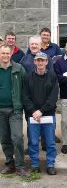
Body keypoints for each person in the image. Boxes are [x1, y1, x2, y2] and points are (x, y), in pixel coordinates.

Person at [23, 52, 59, 175]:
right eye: (38, 60)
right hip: (33, 116)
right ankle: (35, 164)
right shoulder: (28, 77)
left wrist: (42, 110)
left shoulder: (53, 76)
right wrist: (33, 111)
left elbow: (53, 97)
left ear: (46, 62)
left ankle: (50, 164)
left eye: (42, 60)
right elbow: (25, 97)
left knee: (50, 142)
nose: (40, 63)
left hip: (48, 115)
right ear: (34, 62)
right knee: (33, 141)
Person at [0, 44, 28, 177]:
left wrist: (23, 104)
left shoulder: (19, 68)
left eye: (7, 53)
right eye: (3, 53)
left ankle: (20, 166)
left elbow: (25, 88)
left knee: (17, 138)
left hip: (15, 109)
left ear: (11, 54)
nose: (5, 55)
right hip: (0, 110)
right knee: (4, 139)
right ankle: (10, 164)